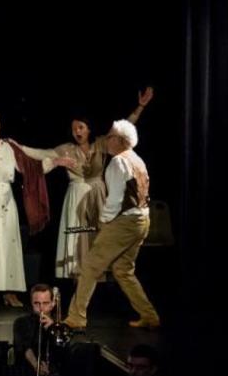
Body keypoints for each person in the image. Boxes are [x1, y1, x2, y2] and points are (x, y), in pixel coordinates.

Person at [10, 87, 155, 280]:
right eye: (74, 129)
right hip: (76, 196)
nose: (77, 132)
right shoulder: (66, 149)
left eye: (80, 127)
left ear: (88, 129)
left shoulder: (101, 144)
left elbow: (124, 128)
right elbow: (40, 153)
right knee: (77, 235)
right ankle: (77, 276)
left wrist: (140, 107)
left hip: (97, 196)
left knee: (96, 235)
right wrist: (18, 147)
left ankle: (98, 276)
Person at [0, 111, 72, 309]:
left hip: (5, 200)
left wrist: (55, 162)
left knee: (7, 243)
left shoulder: (9, 147)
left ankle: (9, 291)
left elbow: (31, 168)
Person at [63, 119, 161, 330]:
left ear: (119, 140)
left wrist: (104, 221)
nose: (107, 140)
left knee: (90, 266)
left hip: (124, 222)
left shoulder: (118, 162)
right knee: (123, 270)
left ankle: (76, 318)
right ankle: (149, 316)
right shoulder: (137, 159)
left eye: (110, 136)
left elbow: (115, 199)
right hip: (141, 221)